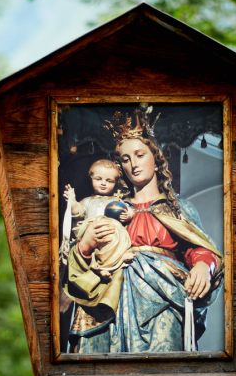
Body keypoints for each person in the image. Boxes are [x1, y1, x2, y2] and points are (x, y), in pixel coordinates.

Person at [65, 107, 223, 353]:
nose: (133, 164)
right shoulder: (111, 208)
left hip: (164, 297)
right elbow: (79, 261)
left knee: (161, 364)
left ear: (157, 159)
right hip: (114, 300)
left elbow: (200, 249)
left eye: (139, 155)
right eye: (125, 160)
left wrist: (203, 266)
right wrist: (86, 244)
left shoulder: (177, 208)